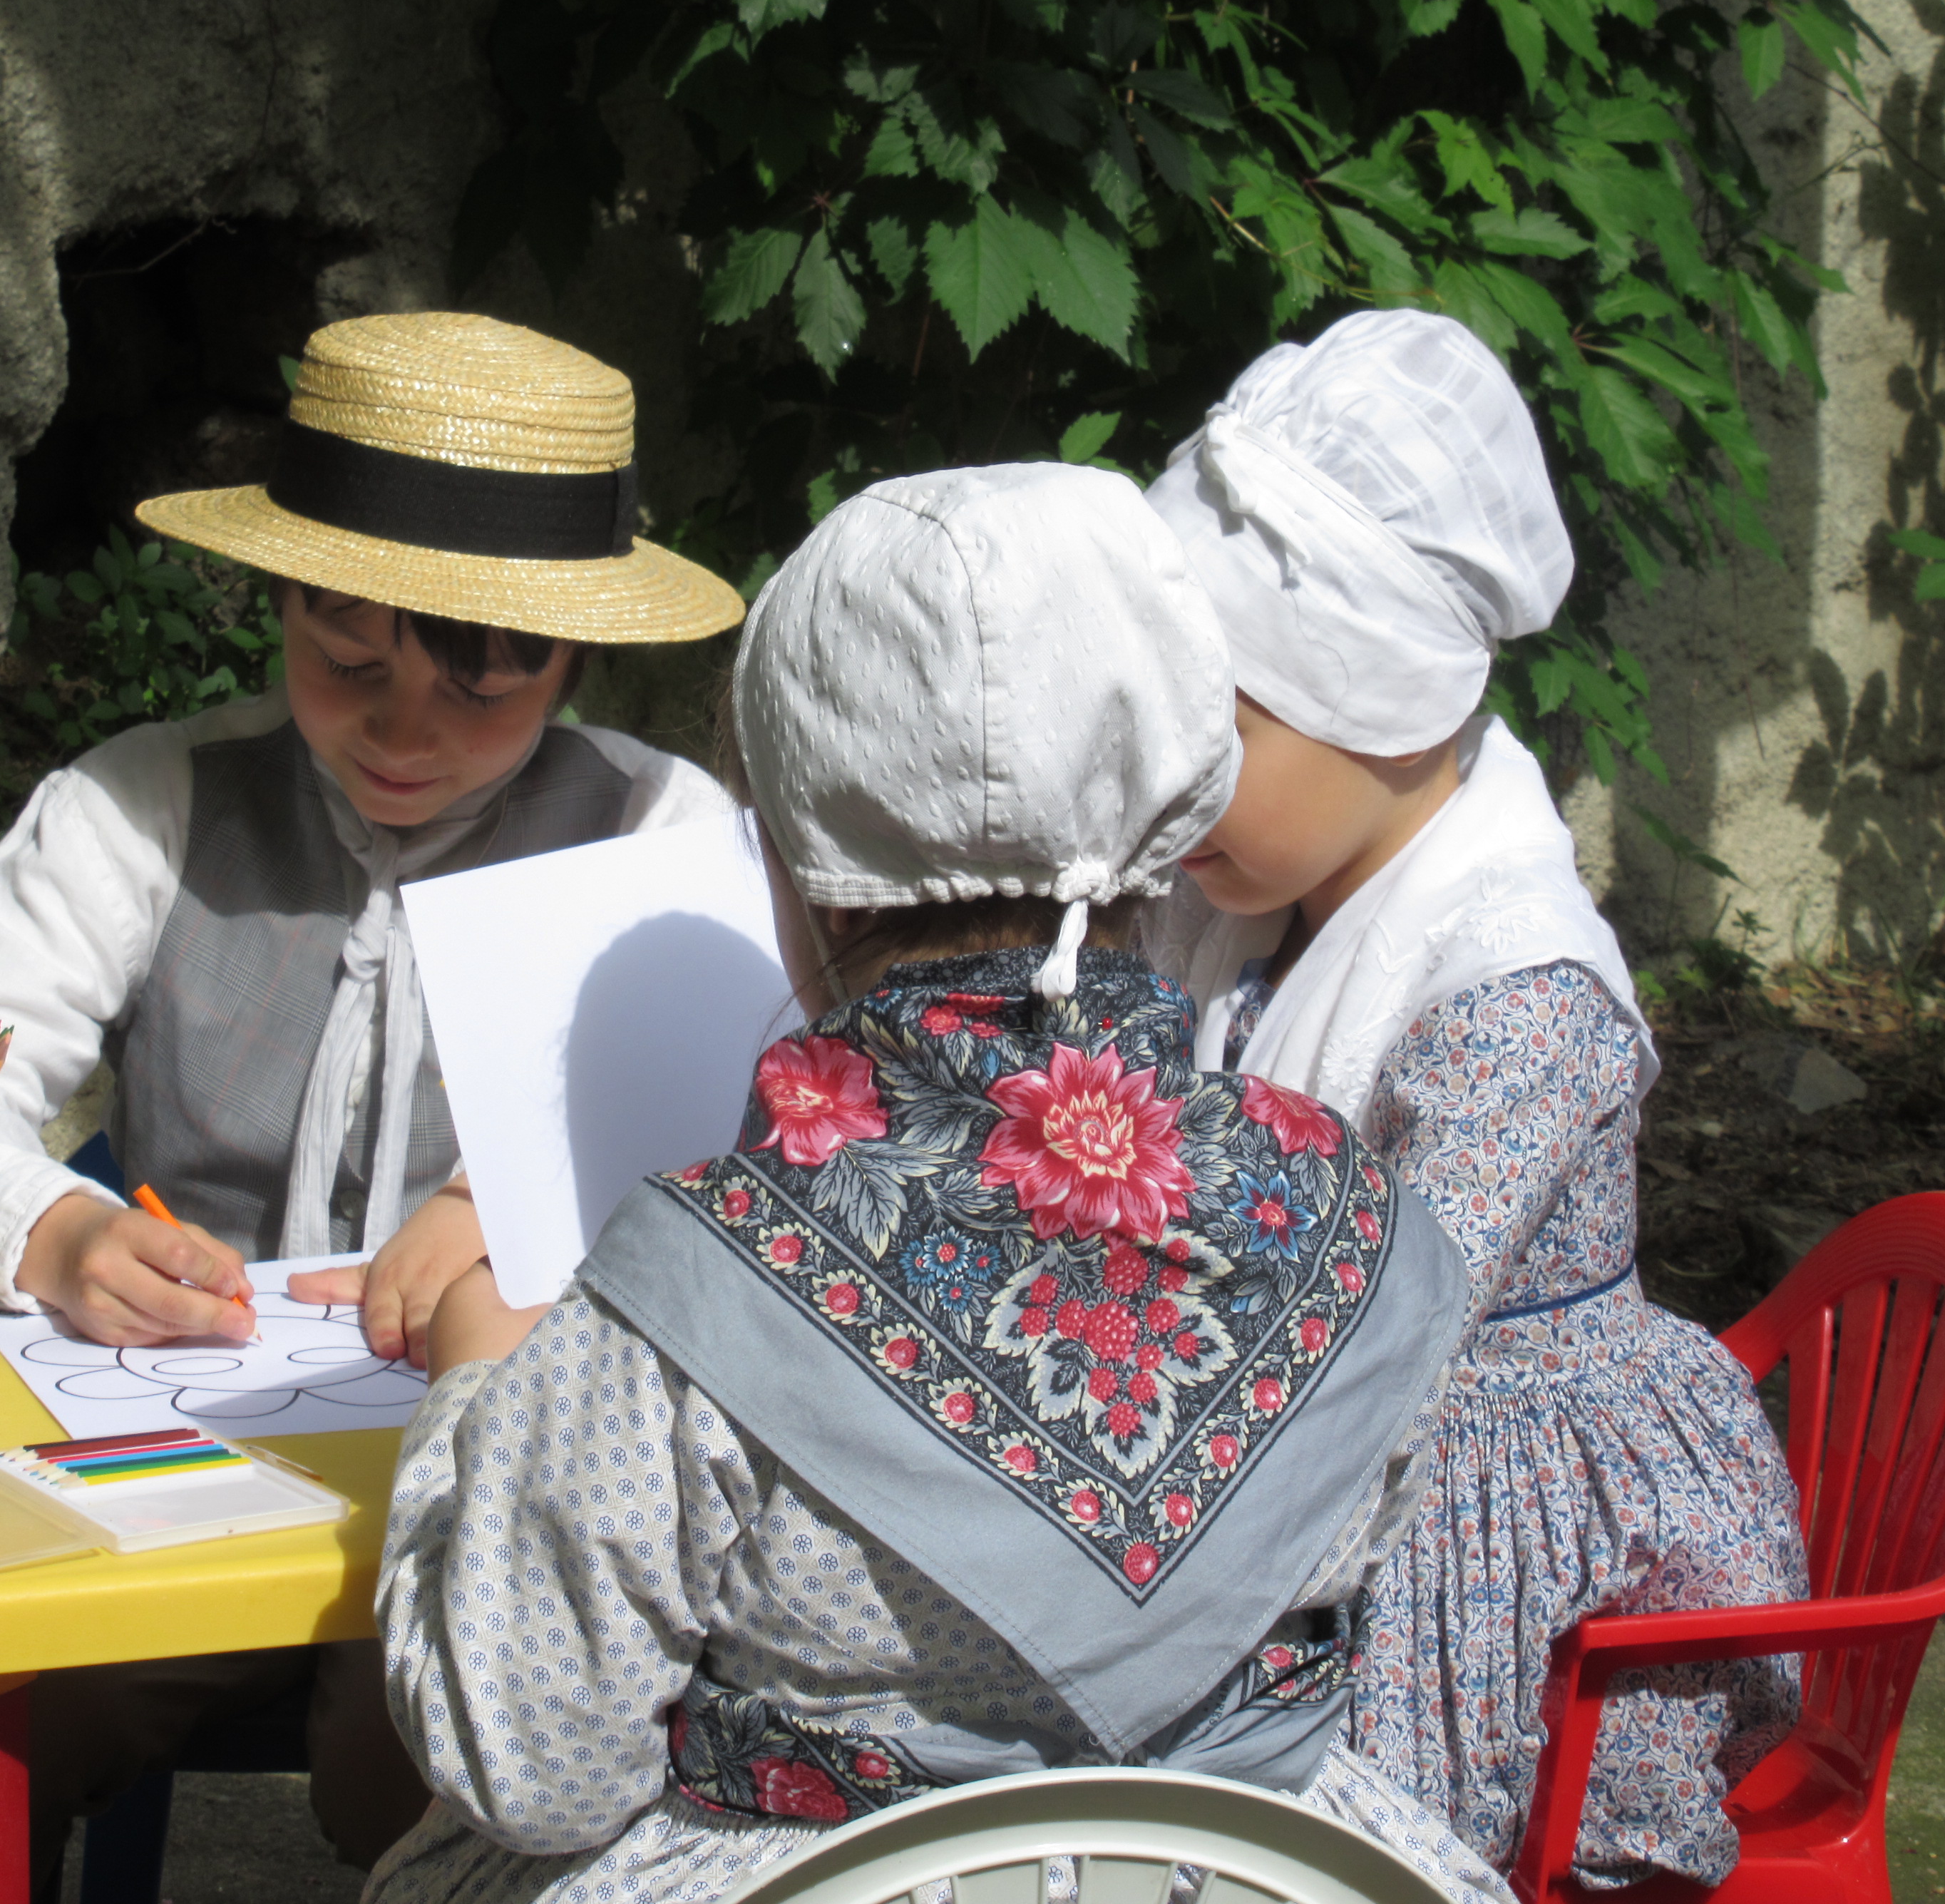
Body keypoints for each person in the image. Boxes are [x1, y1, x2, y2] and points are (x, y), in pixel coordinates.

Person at [364, 462, 1509, 1904]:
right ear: (1175, 801)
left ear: (790, 856)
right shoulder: (1356, 1218)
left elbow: (528, 1762)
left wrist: (475, 1383)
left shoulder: (696, 1294)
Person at [0, 312, 745, 1891]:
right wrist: (52, 1225)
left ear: (572, 655)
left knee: (445, 1796)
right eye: (345, 661)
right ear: (280, 602)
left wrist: (535, 1201)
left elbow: (753, 1144)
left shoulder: (656, 838)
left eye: (481, 687)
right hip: (172, 1477)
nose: (404, 733)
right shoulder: (142, 806)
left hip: (502, 1498)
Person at [1140, 309, 1806, 1889]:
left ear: (1396, 710)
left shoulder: (1516, 996)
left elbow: (1386, 1326)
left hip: (1486, 1491)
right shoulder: (1256, 881)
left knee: (1285, 1794)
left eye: (1221, 733)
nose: (1173, 782)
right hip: (1316, 1386)